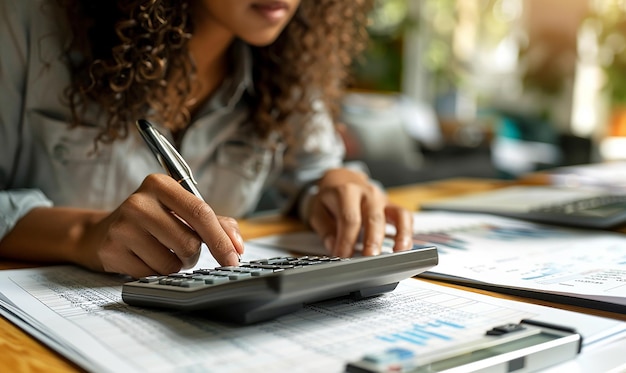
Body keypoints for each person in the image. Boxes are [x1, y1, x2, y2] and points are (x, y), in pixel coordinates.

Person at [0, 0, 414, 279]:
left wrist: (331, 185)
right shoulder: (28, 25)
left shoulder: (288, 65)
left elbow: (315, 171)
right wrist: (82, 234)